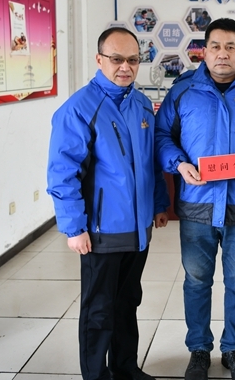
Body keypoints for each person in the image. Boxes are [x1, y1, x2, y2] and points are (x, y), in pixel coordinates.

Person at [155, 18, 235, 380]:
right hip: (196, 205)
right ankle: (199, 349)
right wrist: (178, 164)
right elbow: (163, 136)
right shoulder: (183, 92)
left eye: (230, 47)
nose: (222, 53)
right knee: (196, 281)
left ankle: (234, 349)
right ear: (204, 51)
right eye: (215, 46)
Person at [47, 27, 170, 380]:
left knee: (128, 302)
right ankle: (95, 375)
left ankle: (125, 368)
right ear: (99, 59)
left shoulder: (141, 104)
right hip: (101, 231)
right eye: (116, 59)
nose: (125, 67)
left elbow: (149, 163)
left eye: (133, 60)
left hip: (138, 228)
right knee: (98, 309)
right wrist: (74, 228)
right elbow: (62, 174)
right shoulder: (79, 109)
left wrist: (159, 204)